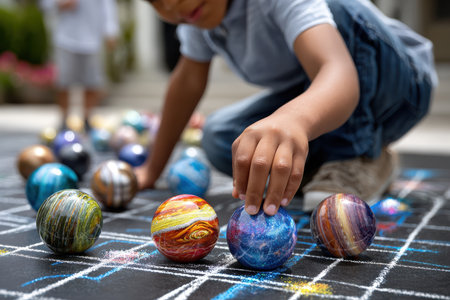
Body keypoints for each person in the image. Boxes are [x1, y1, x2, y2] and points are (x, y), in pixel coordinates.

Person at [136, 0, 438, 216]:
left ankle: (357, 155)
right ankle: (324, 164)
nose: (172, 6)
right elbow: (186, 83)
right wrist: (151, 170)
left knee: (339, 9)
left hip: (402, 87)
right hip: (318, 88)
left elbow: (337, 71)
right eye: (155, 2)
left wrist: (293, 118)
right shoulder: (196, 15)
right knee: (220, 136)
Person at [40, 0, 119, 132]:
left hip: (92, 39)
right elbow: (45, 4)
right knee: (63, 83)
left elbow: (107, 5)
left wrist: (111, 31)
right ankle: (64, 120)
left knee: (92, 83)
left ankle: (87, 119)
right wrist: (60, 4)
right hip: (65, 38)